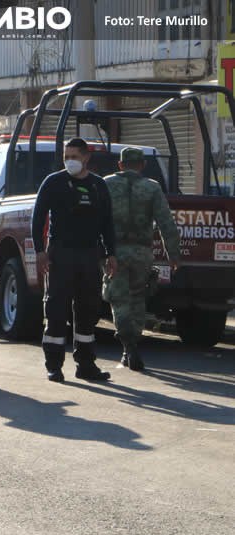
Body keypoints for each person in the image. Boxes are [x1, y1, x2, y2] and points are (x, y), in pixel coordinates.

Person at [33, 137, 117, 383]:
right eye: (66, 157)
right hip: (60, 253)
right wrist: (40, 251)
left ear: (86, 158)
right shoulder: (53, 182)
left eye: (74, 157)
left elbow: (107, 223)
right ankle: (54, 365)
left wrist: (111, 253)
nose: (70, 161)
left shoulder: (99, 185)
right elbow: (38, 219)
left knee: (88, 310)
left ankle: (86, 364)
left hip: (90, 255)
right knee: (57, 308)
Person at [103, 147, 180, 371]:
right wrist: (173, 255)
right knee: (137, 297)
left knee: (119, 299)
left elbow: (95, 218)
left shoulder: (106, 184)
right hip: (141, 253)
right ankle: (133, 342)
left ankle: (127, 345)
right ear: (143, 165)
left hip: (114, 252)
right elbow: (167, 223)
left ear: (120, 165)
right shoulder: (152, 188)